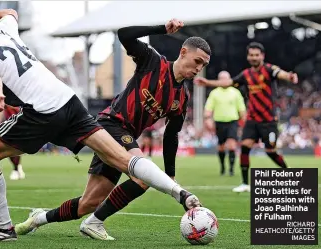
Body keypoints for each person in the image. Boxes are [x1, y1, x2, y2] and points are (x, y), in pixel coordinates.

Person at [0, 10, 201, 241]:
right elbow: (9, 12)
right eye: (198, 62)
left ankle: (7, 227)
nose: (199, 69)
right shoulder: (1, 30)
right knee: (126, 167)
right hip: (69, 100)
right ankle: (180, 194)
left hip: (42, 109)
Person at [16, 21, 211, 240]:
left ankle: (37, 219)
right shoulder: (153, 62)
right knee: (142, 176)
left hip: (124, 137)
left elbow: (171, 134)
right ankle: (95, 223)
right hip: (111, 125)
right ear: (183, 52)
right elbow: (124, 34)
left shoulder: (182, 98)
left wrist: (170, 174)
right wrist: (162, 29)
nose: (197, 68)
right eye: (197, 61)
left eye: (202, 66)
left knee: (88, 203)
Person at [195, 42, 298, 192]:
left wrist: (289, 76)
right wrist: (207, 83)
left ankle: (289, 172)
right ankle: (245, 183)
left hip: (268, 120)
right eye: (251, 55)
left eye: (257, 55)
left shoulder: (269, 69)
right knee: (244, 148)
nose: (254, 57)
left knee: (271, 152)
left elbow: (281, 73)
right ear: (248, 56)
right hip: (252, 119)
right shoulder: (246, 74)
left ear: (262, 56)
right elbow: (228, 83)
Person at [204, 71, 246, 176]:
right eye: (221, 78)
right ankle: (223, 167)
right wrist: (208, 119)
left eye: (225, 78)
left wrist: (244, 123)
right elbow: (208, 109)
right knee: (221, 147)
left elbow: (242, 110)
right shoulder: (214, 93)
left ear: (229, 79)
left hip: (232, 122)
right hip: (219, 122)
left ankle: (231, 169)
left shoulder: (235, 92)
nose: (223, 81)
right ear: (218, 80)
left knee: (232, 145)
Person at [0, 105, 25, 180]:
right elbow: (1, 109)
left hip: (20, 124)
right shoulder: (6, 98)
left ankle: (16, 168)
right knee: (8, 148)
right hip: (9, 124)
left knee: (15, 147)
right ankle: (17, 167)